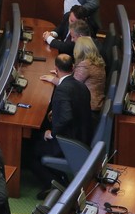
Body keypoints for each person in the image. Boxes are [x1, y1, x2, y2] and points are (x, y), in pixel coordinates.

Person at [31, 55, 93, 198]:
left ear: (56, 69)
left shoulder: (62, 90)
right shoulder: (81, 86)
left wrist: (51, 133)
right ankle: (60, 178)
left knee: (31, 151)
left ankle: (55, 186)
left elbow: (66, 117)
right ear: (72, 68)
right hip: (82, 135)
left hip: (69, 142)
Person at [43, 36, 106, 114]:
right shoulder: (96, 60)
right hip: (94, 104)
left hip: (88, 109)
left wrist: (53, 79)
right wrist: (61, 72)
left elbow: (71, 86)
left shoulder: (86, 65)